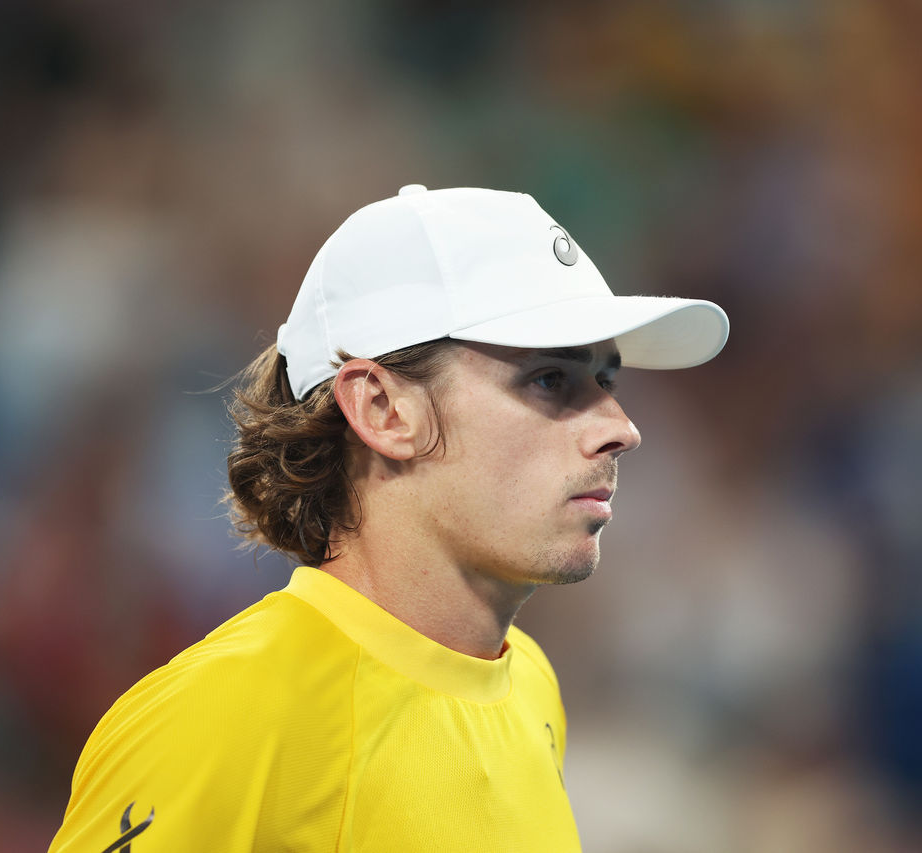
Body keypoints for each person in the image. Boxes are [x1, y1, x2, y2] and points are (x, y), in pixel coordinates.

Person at [48, 184, 729, 851]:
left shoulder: (530, 686)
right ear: (381, 409)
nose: (621, 428)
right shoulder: (223, 714)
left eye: (607, 381)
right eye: (550, 379)